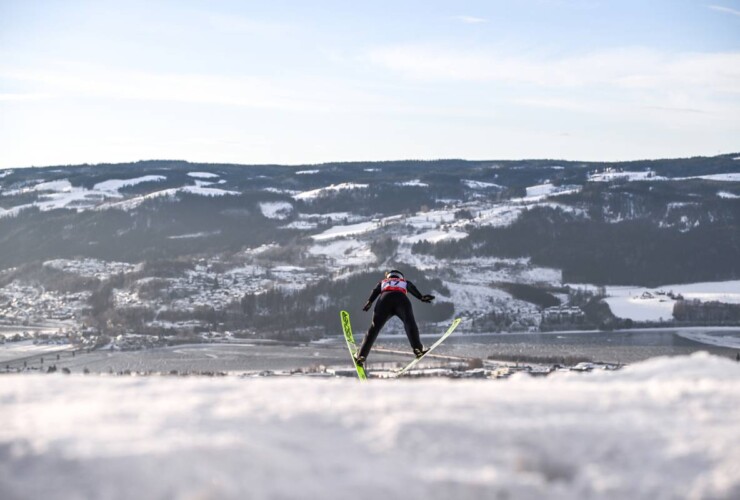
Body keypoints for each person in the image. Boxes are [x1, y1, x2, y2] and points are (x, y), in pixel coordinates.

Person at [355, 269, 435, 368]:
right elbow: (411, 288)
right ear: (401, 277)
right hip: (401, 299)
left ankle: (361, 355)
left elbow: (375, 291)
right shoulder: (404, 282)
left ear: (388, 276)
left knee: (374, 328)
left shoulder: (383, 282)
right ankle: (418, 348)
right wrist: (421, 297)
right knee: (409, 323)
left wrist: (369, 301)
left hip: (384, 300)